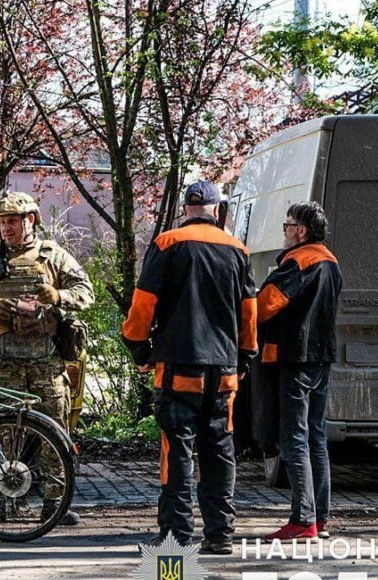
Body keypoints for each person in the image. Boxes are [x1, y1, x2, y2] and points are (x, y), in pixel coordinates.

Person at [121, 180, 257, 555]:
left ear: (186, 208)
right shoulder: (238, 250)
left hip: (179, 366)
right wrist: (244, 358)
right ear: (216, 209)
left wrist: (139, 348)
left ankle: (177, 537)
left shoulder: (168, 243)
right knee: (219, 451)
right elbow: (249, 315)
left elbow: (143, 306)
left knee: (177, 453)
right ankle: (220, 534)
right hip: (224, 369)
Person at [0, 192, 94, 526]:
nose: (6, 228)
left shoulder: (54, 257)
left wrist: (57, 296)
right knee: (0, 434)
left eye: (12, 221)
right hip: (4, 363)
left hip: (46, 362)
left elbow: (86, 293)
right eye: (2, 222)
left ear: (30, 220)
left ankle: (55, 503)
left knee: (55, 432)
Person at [258, 202, 342, 541]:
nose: (285, 230)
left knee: (293, 437)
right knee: (316, 437)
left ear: (302, 230)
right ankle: (319, 517)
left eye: (288, 225)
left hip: (295, 357)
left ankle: (302, 519)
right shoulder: (332, 262)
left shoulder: (299, 262)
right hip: (321, 358)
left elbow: (265, 306)